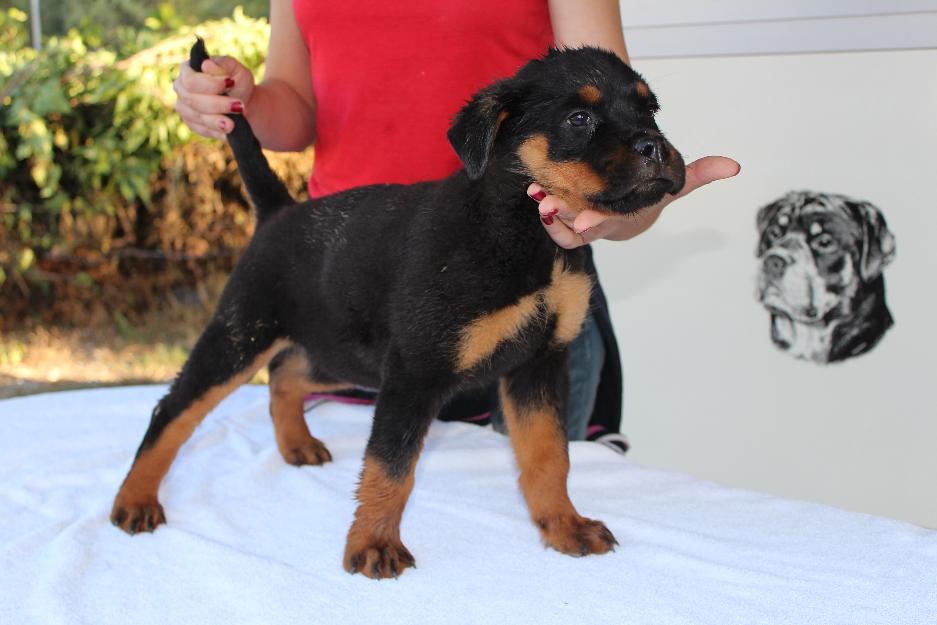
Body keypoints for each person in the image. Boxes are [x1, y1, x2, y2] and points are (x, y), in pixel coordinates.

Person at [172, 0, 739, 445]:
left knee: (535, 547)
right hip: (352, 287)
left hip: (523, 280)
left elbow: (615, 116)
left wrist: (625, 211)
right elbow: (293, 113)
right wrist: (242, 100)